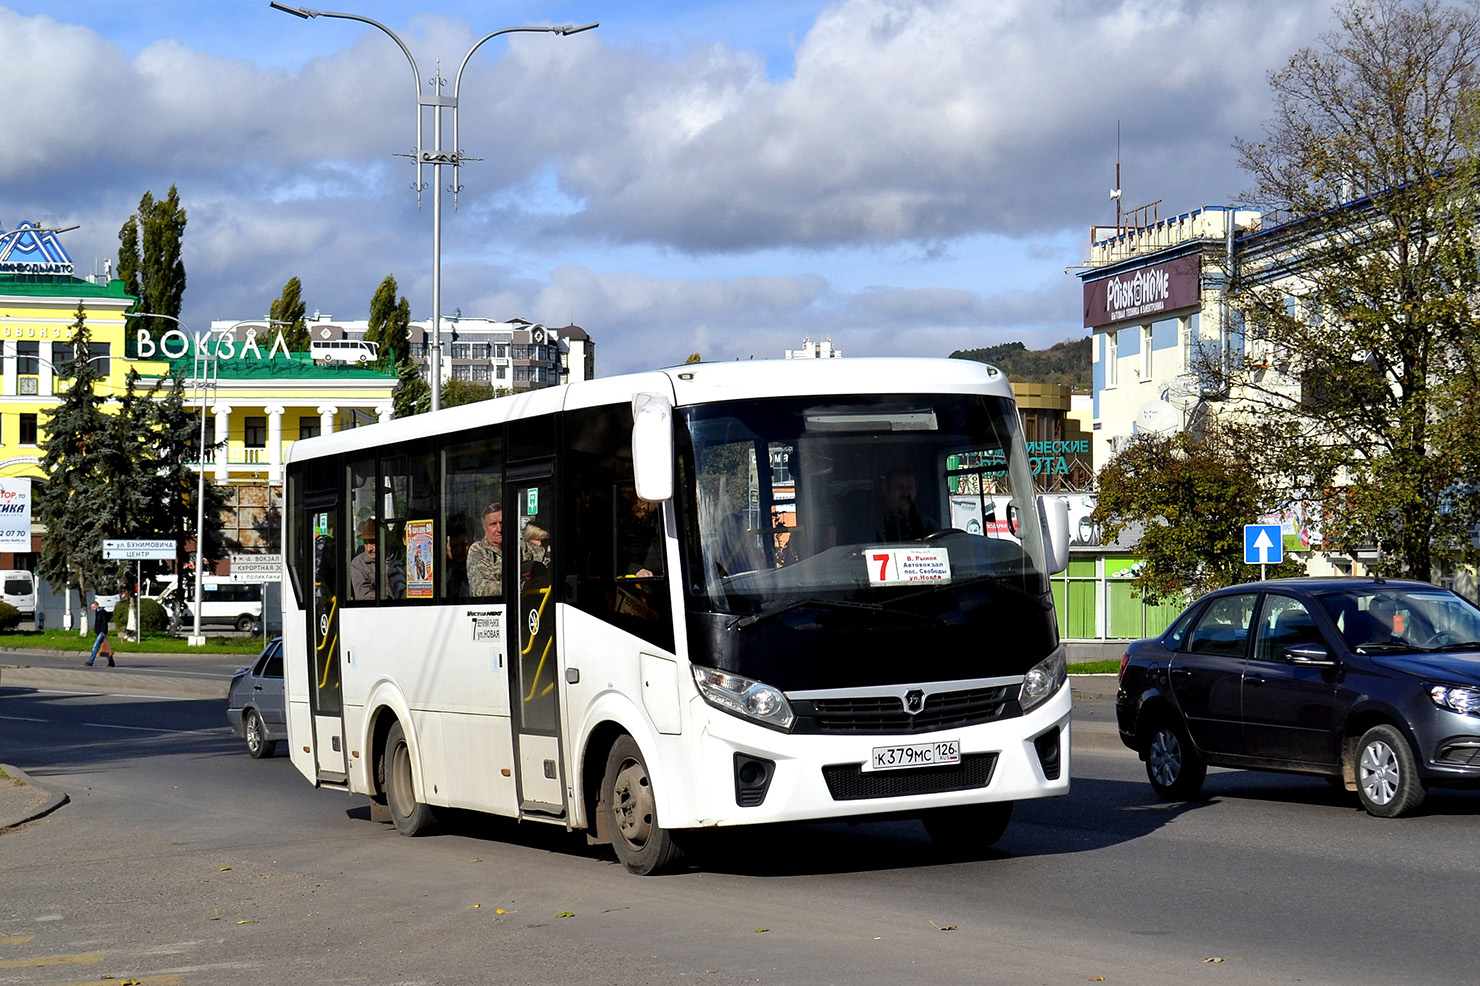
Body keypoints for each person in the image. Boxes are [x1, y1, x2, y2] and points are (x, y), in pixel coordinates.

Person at [878, 466, 936, 541]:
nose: (905, 493)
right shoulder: (872, 525)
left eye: (910, 487)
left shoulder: (928, 526)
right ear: (886, 489)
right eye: (899, 487)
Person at [466, 503, 503, 597]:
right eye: (493, 524)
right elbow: (483, 588)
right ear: (484, 528)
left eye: (502, 523)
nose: (499, 529)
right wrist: (521, 586)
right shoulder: (478, 550)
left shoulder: (519, 547)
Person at [349, 519, 377, 601]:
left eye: (372, 543)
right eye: (366, 543)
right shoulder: (358, 564)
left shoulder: (397, 558)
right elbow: (364, 595)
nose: (369, 549)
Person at [85, 599, 114, 667]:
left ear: (97, 606)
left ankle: (91, 661)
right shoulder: (97, 612)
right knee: (105, 648)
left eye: (93, 607)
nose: (92, 609)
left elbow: (104, 623)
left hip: (102, 632)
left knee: (95, 646)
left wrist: (103, 632)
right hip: (99, 632)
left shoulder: (102, 612)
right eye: (92, 607)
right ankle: (111, 663)